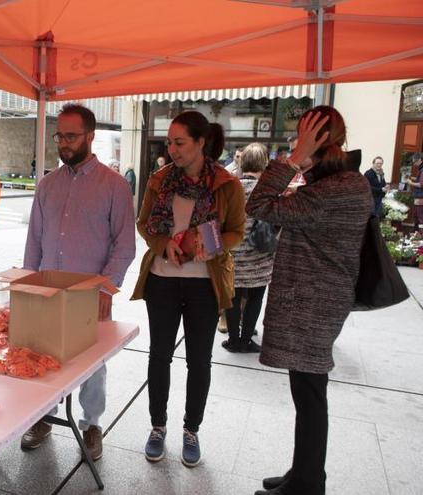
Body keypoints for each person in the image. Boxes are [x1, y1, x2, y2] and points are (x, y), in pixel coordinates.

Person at [247, 106, 371, 495]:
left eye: (300, 135)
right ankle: (304, 472)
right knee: (308, 391)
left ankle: (307, 482)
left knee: (310, 393)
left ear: (314, 138)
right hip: (323, 299)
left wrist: (294, 159)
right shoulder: (346, 182)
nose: (294, 142)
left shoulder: (329, 191)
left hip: (313, 303)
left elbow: (258, 205)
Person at [19, 103, 136, 461]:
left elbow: (125, 245)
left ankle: (91, 425)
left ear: (90, 136)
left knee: (91, 365)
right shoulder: (47, 186)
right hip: (47, 293)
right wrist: (26, 286)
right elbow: (34, 241)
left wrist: (106, 287)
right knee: (40, 357)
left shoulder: (114, 186)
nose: (64, 143)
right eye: (60, 136)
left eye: (71, 136)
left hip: (90, 296)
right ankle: (42, 418)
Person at [131, 110, 245, 468]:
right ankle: (157, 427)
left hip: (204, 286)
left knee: (199, 361)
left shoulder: (226, 184)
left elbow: (236, 232)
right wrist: (163, 243)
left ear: (201, 142)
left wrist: (204, 242)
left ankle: (191, 430)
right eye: (169, 142)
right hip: (163, 281)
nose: (173, 149)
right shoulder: (159, 180)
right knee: (159, 356)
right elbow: (145, 223)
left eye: (180, 143)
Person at [222, 143, 274, 353]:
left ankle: (233, 340)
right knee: (255, 299)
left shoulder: (230, 188)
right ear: (264, 164)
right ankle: (246, 340)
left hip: (233, 255)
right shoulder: (268, 192)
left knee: (233, 299)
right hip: (260, 258)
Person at [409, 152, 423, 227]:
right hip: (419, 197)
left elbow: (421, 184)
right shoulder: (421, 168)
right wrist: (413, 178)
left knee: (420, 218)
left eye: (415, 161)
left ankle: (420, 235)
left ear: (420, 160)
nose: (414, 164)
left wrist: (410, 183)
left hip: (420, 198)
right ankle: (418, 235)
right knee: (418, 217)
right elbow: (420, 180)